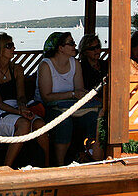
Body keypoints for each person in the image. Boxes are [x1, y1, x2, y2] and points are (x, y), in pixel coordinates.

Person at [0, 32, 48, 168]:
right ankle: (6, 167)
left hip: (16, 108)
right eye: (9, 46)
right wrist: (19, 112)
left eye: (13, 45)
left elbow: (21, 96)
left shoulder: (17, 69)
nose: (13, 48)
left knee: (40, 124)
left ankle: (47, 165)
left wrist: (22, 107)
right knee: (24, 124)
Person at [38, 31, 96, 167]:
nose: (75, 45)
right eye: (71, 43)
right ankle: (60, 163)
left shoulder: (75, 63)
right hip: (48, 107)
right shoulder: (46, 65)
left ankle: (89, 155)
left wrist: (76, 95)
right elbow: (46, 97)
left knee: (94, 117)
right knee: (64, 122)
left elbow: (79, 91)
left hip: (71, 106)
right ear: (60, 48)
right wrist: (72, 94)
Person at [77, 33, 108, 160]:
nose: (96, 50)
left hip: (106, 101)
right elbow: (83, 91)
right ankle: (92, 151)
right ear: (84, 51)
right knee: (93, 118)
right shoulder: (81, 68)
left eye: (98, 47)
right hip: (91, 103)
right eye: (92, 48)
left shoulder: (106, 65)